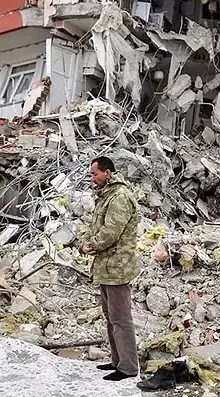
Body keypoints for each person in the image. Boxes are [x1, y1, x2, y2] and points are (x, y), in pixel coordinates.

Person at [82, 156, 140, 381]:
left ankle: (128, 367)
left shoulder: (119, 197)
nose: (92, 178)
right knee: (110, 316)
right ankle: (117, 361)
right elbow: (95, 226)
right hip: (106, 267)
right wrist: (85, 243)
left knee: (121, 318)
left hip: (118, 267)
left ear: (107, 173)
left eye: (94, 174)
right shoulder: (107, 196)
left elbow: (111, 232)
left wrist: (93, 245)